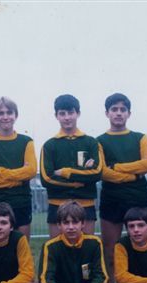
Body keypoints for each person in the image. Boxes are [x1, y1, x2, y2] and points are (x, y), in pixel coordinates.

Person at [97, 93, 147, 283]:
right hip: (111, 200)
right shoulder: (99, 141)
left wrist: (119, 167)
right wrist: (133, 175)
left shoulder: (140, 138)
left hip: (137, 200)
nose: (118, 113)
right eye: (114, 109)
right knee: (110, 251)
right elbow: (103, 171)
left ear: (129, 113)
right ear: (107, 113)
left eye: (123, 109)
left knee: (139, 249)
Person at [40, 94, 103, 238]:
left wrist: (65, 172)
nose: (67, 117)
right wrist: (80, 179)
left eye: (71, 112)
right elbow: (46, 179)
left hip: (85, 205)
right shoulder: (49, 145)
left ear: (78, 113)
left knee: (87, 248)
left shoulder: (91, 142)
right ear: (56, 116)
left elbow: (97, 173)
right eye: (62, 113)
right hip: (57, 205)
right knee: (57, 248)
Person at [0, 97, 37, 239]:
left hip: (21, 203)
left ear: (15, 115)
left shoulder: (26, 141)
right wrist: (18, 179)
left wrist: (0, 172)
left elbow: (31, 171)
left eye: (9, 112)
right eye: (0, 113)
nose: (5, 117)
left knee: (21, 247)